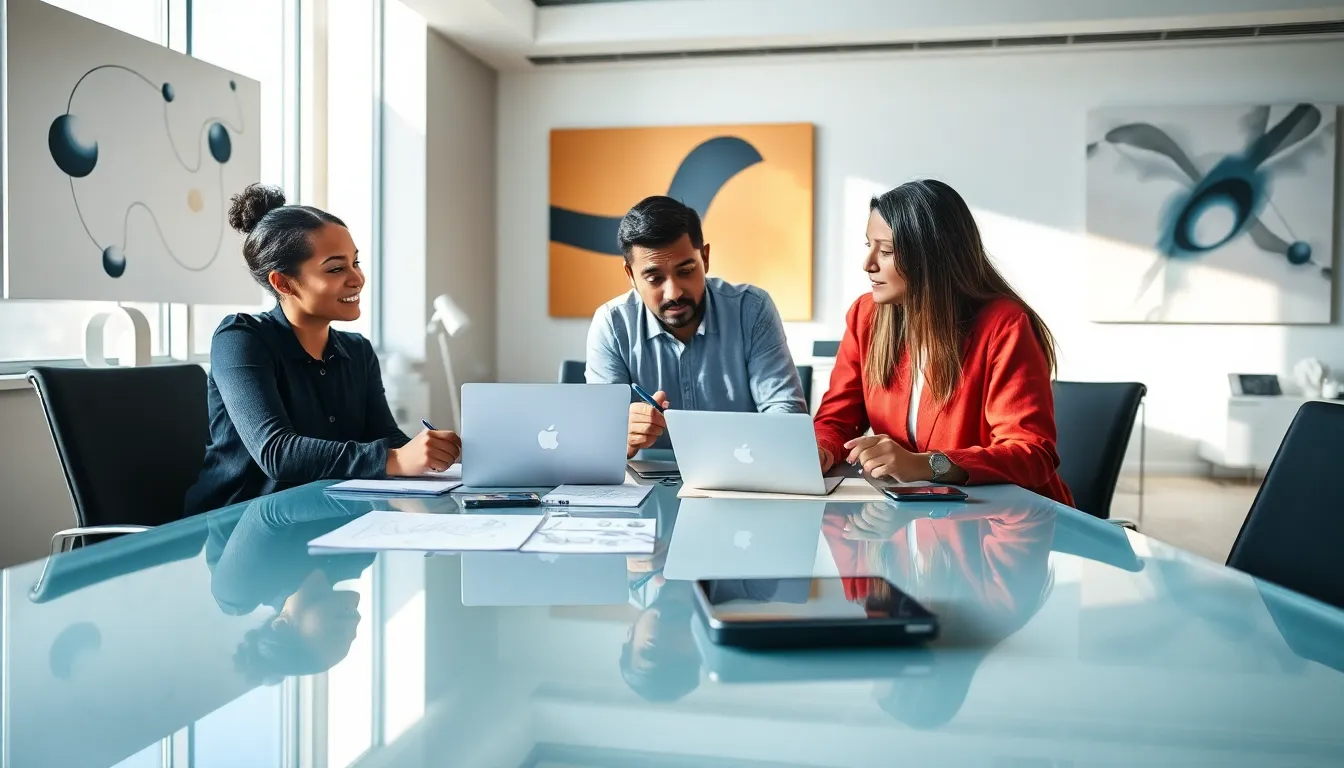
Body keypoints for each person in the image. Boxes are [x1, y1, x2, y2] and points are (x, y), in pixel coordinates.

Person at [184, 183, 460, 514]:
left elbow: (385, 437)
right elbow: (278, 453)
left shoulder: (358, 351)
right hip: (241, 525)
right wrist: (398, 458)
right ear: (283, 283)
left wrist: (433, 453)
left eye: (355, 263)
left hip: (326, 521)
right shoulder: (240, 339)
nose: (357, 278)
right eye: (336, 268)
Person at [812, 180, 1073, 505]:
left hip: (1009, 524)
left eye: (887, 251)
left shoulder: (1004, 325)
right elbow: (836, 420)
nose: (869, 264)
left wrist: (925, 465)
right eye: (869, 246)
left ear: (932, 257)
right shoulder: (865, 316)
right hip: (917, 517)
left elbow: (1031, 454)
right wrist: (822, 449)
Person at [585, 195, 807, 457]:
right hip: (649, 489)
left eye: (686, 270)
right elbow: (598, 439)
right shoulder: (612, 324)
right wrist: (623, 439)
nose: (674, 293)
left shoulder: (751, 308)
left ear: (705, 258)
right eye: (655, 278)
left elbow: (786, 417)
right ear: (631, 275)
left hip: (741, 478)